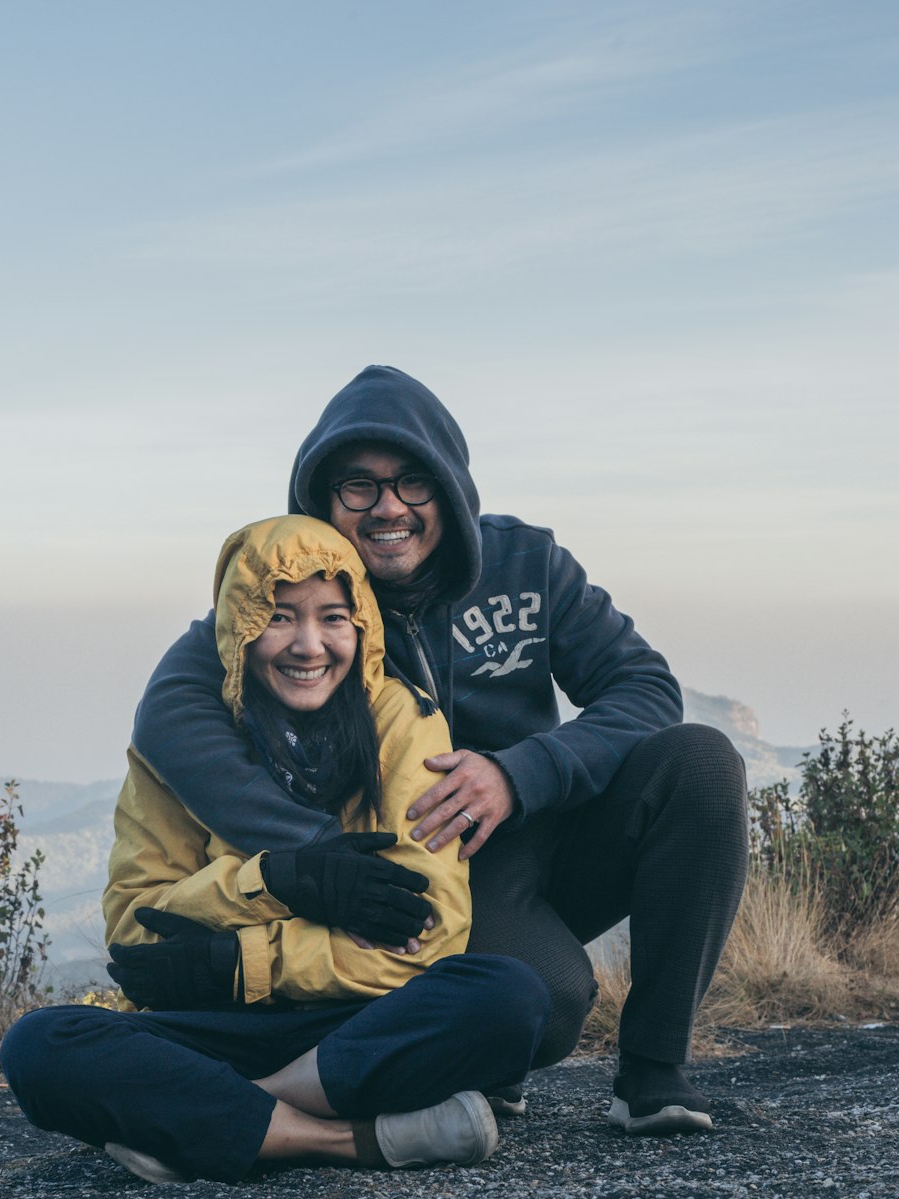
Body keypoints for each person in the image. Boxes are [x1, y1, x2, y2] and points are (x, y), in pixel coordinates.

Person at [121, 366, 750, 1136]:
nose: (389, 507)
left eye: (413, 481)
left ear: (450, 489)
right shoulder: (311, 595)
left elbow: (644, 687)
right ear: (321, 502)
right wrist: (325, 859)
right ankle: (473, 1055)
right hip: (441, 865)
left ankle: (655, 1072)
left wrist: (522, 773)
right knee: (546, 1006)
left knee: (702, 765)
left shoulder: (528, 565)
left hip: (551, 821)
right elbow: (171, 712)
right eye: (358, 485)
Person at [0, 516, 550, 1184]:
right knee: (39, 1046)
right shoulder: (186, 744)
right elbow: (136, 933)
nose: (309, 645)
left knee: (507, 997)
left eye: (334, 618)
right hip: (220, 1028)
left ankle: (222, 1116)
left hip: (359, 1021)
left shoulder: (404, 725)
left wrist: (241, 962)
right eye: (279, 616)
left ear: (363, 627)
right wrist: (272, 880)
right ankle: (353, 1139)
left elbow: (424, 937)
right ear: (238, 626)